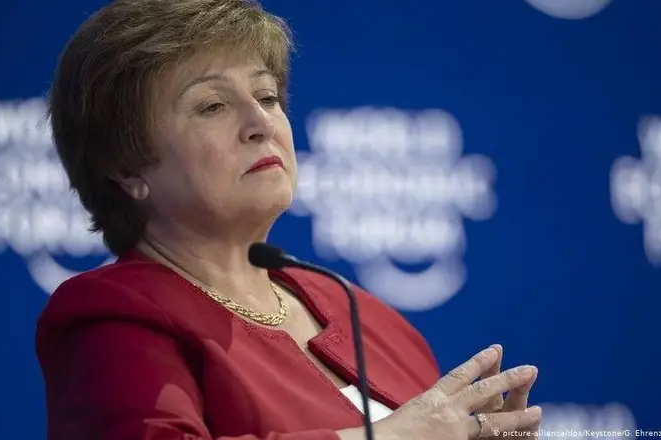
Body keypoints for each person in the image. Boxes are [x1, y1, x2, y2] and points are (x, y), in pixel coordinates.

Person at [35, 1, 542, 439]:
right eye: (213, 105)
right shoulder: (111, 316)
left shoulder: (367, 317)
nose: (260, 123)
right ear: (125, 167)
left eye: (267, 97)